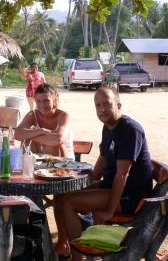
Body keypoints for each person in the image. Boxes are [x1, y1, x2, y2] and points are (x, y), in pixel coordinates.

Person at [53, 87, 153, 261]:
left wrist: (109, 211)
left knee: (69, 203)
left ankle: (78, 258)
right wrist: (85, 183)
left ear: (119, 105)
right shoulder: (108, 128)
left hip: (131, 196)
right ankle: (64, 244)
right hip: (113, 187)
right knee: (61, 194)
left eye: (107, 104)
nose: (102, 109)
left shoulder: (130, 129)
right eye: (98, 105)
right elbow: (103, 159)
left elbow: (123, 175)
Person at [14, 83, 74, 159]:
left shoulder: (63, 115)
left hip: (65, 160)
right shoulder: (33, 114)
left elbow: (58, 139)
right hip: (42, 156)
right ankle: (28, 168)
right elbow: (17, 134)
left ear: (54, 100)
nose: (42, 105)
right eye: (38, 101)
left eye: (46, 101)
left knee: (52, 144)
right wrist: (41, 131)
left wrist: (30, 136)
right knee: (26, 142)